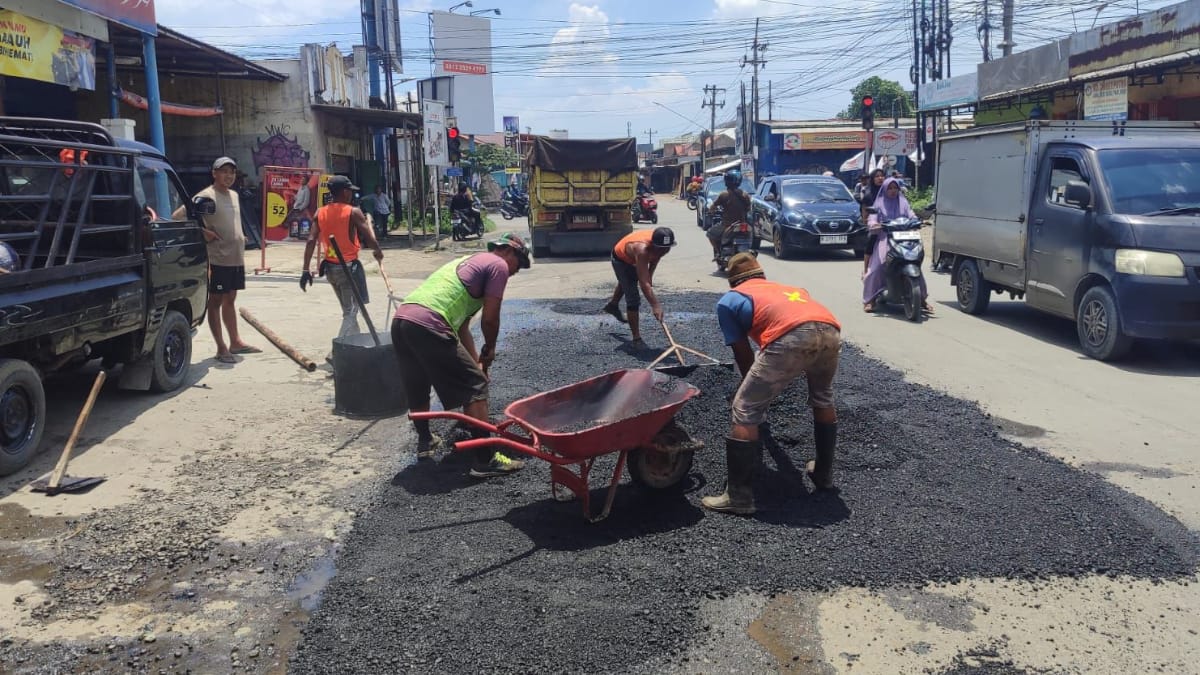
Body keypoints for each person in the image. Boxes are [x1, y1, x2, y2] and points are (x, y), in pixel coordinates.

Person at [702, 253, 842, 515]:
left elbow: (743, 352)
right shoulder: (789, 289)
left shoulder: (731, 300)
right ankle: (823, 475)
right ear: (761, 276)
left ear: (733, 281)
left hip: (792, 335)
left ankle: (739, 498)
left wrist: (751, 388)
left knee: (744, 409)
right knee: (823, 396)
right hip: (830, 330)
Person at [392, 232, 532, 475]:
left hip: (404, 319)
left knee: (417, 383)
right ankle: (485, 459)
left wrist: (476, 361)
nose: (514, 273)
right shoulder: (497, 265)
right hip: (430, 321)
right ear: (509, 252)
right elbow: (490, 318)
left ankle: (425, 442)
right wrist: (491, 347)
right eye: (518, 266)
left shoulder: (469, 261)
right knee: (475, 386)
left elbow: (463, 328)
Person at [179, 156, 260, 364]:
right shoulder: (206, 196)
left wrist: (240, 235)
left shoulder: (233, 195)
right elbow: (177, 217)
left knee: (230, 300)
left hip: (235, 258)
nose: (229, 176)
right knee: (215, 302)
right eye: (224, 171)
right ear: (214, 173)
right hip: (217, 259)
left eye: (232, 172)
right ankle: (221, 348)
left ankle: (235, 342)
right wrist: (202, 231)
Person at [300, 175, 385, 342]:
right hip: (348, 269)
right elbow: (368, 237)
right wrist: (378, 251)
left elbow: (311, 240)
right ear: (345, 192)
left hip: (331, 269)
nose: (352, 195)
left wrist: (305, 270)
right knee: (351, 312)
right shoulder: (352, 212)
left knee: (348, 310)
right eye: (350, 192)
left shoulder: (320, 212)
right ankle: (338, 349)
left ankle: (355, 343)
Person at [862, 177, 932, 314]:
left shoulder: (903, 202)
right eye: (890, 188)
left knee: (915, 263)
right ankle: (870, 300)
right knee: (878, 266)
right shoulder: (879, 204)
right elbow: (872, 219)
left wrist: (917, 221)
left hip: (904, 238)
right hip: (885, 239)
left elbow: (911, 215)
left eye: (895, 188)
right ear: (885, 189)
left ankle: (922, 298)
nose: (893, 191)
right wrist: (874, 224)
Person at [602, 226, 676, 351]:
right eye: (660, 249)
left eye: (666, 248)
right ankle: (636, 339)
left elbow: (655, 259)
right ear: (653, 245)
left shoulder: (662, 247)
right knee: (633, 297)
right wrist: (655, 305)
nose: (663, 251)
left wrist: (650, 275)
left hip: (634, 257)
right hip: (621, 259)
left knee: (627, 282)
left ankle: (612, 306)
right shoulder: (642, 250)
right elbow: (644, 283)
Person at [707, 169, 752, 260]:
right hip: (742, 224)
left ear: (727, 181)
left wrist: (710, 211)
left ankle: (718, 253)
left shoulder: (724, 194)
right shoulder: (745, 195)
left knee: (710, 234)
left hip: (727, 225)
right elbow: (748, 208)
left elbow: (713, 206)